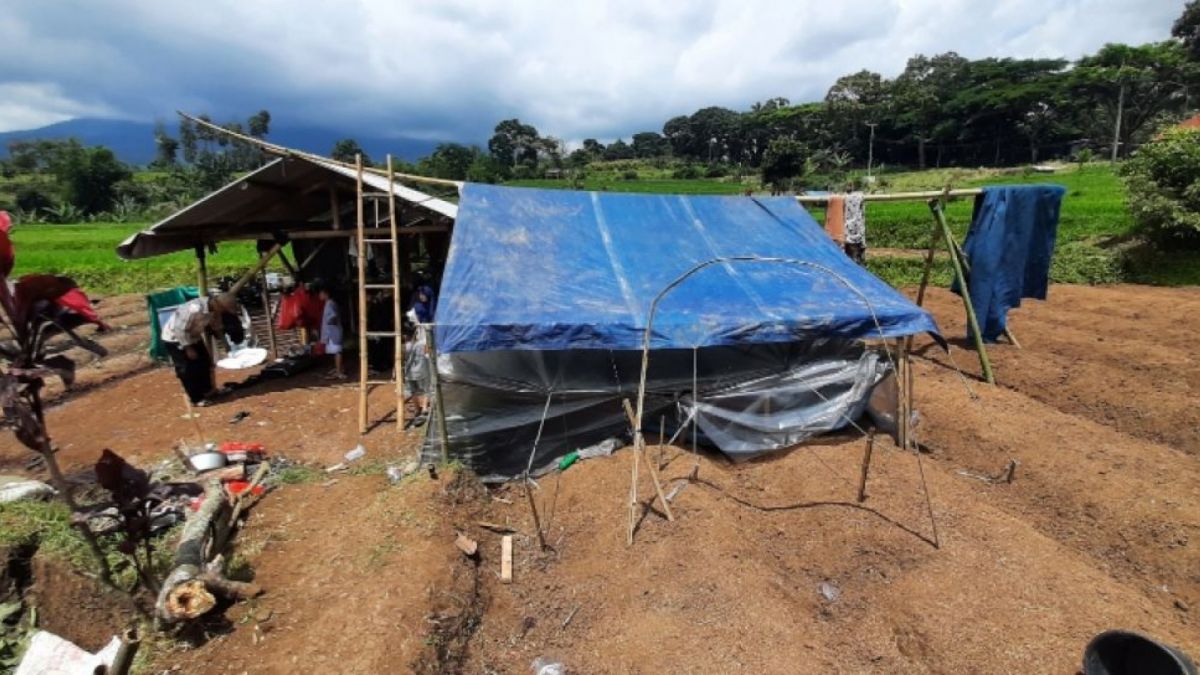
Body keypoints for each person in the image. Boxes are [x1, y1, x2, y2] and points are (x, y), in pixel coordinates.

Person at [161, 293, 240, 406]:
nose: (223, 312)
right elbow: (179, 329)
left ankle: (209, 392)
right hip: (175, 338)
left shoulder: (214, 310)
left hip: (194, 336)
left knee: (204, 363)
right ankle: (196, 399)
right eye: (223, 309)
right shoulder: (194, 309)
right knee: (188, 369)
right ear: (217, 303)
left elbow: (216, 326)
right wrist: (188, 348)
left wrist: (225, 343)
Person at [312, 282, 345, 379]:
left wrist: (329, 323)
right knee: (336, 351)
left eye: (321, 293)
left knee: (337, 351)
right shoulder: (329, 303)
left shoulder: (330, 303)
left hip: (333, 332)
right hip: (332, 331)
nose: (319, 295)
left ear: (326, 294)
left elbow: (333, 316)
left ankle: (339, 371)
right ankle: (339, 369)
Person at [402, 313, 430, 424]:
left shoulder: (404, 346)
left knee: (412, 391)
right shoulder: (423, 343)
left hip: (409, 372)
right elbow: (427, 353)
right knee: (427, 389)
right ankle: (424, 408)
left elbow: (401, 359)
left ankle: (417, 408)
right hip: (423, 369)